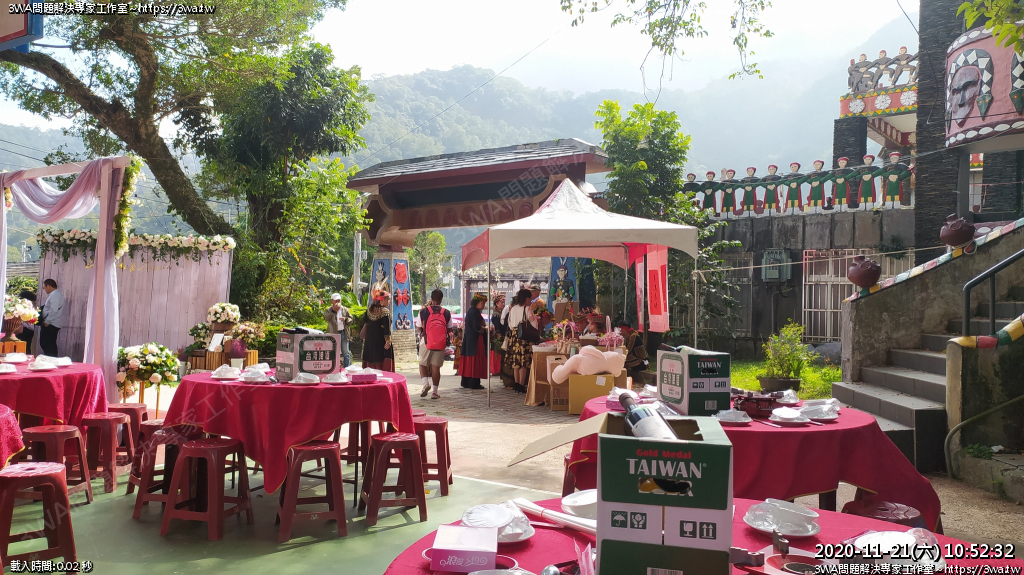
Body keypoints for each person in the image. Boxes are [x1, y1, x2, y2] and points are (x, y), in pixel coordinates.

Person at [418, 289, 451, 399]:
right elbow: (450, 329)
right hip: (440, 343)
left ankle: (425, 384)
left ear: (431, 299)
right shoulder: (446, 312)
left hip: (426, 341)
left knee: (422, 364)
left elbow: (419, 327)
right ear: (441, 300)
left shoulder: (423, 311)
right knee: (436, 367)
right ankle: (435, 392)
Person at [504, 288, 538, 394]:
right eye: (530, 299)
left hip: (514, 337)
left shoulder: (513, 309)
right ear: (526, 299)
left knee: (516, 362)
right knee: (523, 362)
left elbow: (509, 323)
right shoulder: (527, 309)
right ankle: (521, 385)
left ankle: (516, 383)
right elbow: (534, 323)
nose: (530, 301)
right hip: (524, 337)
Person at [459, 294, 488, 390]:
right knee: (475, 361)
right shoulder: (475, 312)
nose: (483, 305)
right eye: (482, 303)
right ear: (477, 303)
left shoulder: (469, 311)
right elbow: (477, 327)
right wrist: (485, 328)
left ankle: (466, 381)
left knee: (468, 360)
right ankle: (474, 383)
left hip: (468, 338)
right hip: (476, 340)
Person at [360, 292, 394, 371]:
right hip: (380, 341)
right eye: (388, 299)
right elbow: (387, 329)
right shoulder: (385, 312)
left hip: (369, 340)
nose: (389, 301)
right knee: (381, 360)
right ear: (382, 300)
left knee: (370, 359)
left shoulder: (369, 310)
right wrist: (388, 341)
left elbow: (365, 321)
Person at [323, 293, 354, 367]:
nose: (337, 302)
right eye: (336, 300)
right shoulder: (328, 310)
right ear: (332, 301)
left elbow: (351, 320)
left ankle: (347, 368)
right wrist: (333, 311)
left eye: (339, 300)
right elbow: (326, 318)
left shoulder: (345, 309)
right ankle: (333, 368)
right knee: (332, 352)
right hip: (333, 334)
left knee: (346, 352)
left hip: (343, 333)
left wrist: (345, 319)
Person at [490, 294, 513, 386]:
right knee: (500, 354)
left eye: (504, 302)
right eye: (501, 302)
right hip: (499, 337)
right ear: (496, 303)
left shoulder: (502, 312)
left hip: (502, 336)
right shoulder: (496, 314)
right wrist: (500, 336)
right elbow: (498, 328)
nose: (503, 304)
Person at [39, 279, 64, 357]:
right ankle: (52, 359)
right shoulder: (55, 294)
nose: (45, 290)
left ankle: (51, 359)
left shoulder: (55, 295)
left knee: (46, 344)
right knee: (49, 343)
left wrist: (47, 321)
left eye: (44, 287)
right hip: (52, 322)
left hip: (51, 323)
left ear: (48, 286)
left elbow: (54, 309)